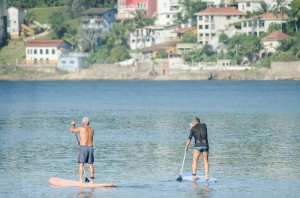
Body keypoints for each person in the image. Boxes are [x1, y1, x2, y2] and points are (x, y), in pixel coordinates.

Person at [70, 117, 95, 183]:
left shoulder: (81, 128)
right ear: (88, 122)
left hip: (83, 148)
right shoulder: (92, 130)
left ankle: (80, 180)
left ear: (83, 123)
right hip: (90, 147)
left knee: (81, 164)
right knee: (90, 164)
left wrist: (73, 125)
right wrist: (80, 143)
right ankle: (92, 181)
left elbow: (72, 130)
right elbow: (88, 139)